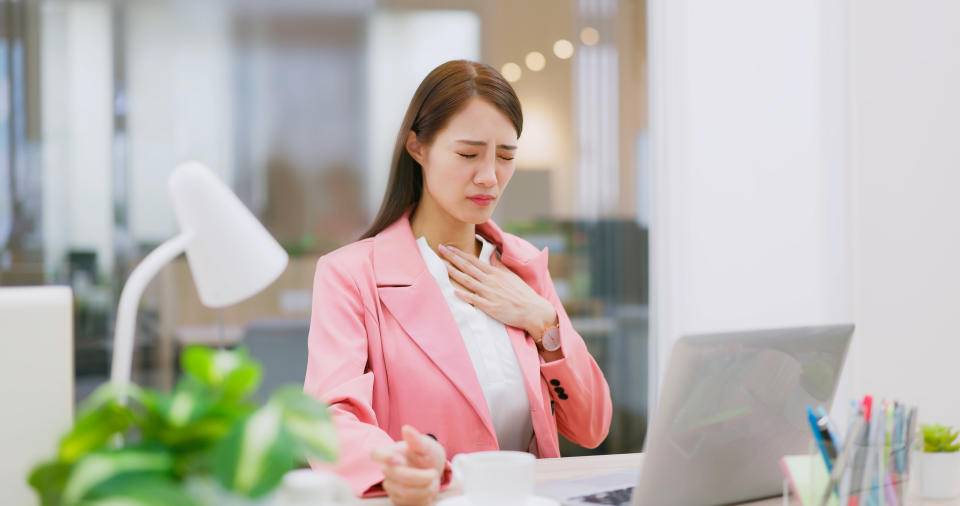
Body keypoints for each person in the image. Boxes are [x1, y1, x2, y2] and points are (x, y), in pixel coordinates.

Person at [304, 59, 612, 506]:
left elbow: (591, 424)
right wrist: (405, 466)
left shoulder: (522, 268)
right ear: (417, 147)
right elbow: (329, 422)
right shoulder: (351, 276)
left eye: (506, 156)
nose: (489, 176)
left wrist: (544, 325)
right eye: (469, 154)